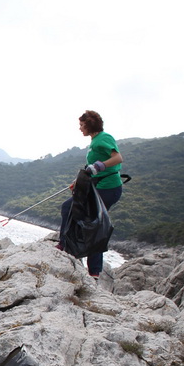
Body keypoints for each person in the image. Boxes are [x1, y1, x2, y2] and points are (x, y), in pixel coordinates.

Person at [58, 110, 123, 277]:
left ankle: (66, 247)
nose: (80, 128)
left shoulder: (104, 138)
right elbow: (91, 166)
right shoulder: (95, 141)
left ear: (90, 125)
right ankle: (91, 268)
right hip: (98, 186)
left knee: (89, 221)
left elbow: (118, 158)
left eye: (81, 125)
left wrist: (100, 166)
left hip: (108, 188)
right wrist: (79, 180)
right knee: (89, 222)